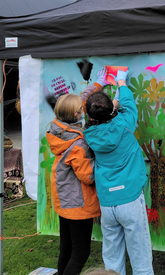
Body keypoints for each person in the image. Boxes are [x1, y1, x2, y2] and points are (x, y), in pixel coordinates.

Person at [83, 67, 154, 275]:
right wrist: (121, 82)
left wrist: (106, 95)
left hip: (107, 201)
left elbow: (95, 111)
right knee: (140, 257)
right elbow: (129, 106)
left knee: (112, 258)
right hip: (129, 198)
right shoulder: (123, 124)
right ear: (111, 112)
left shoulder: (88, 132)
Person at [46, 72, 107, 275]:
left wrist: (99, 83)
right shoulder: (77, 144)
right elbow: (87, 176)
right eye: (81, 110)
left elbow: (80, 100)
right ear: (76, 115)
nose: (84, 110)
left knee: (67, 248)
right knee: (80, 253)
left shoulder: (59, 129)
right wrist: (101, 160)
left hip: (64, 201)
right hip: (78, 205)